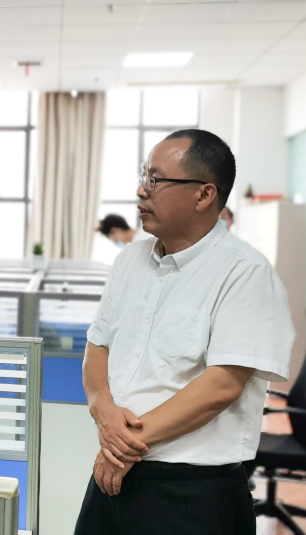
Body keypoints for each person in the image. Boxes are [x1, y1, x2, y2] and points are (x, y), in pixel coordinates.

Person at [75, 129, 294, 535]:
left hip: (192, 491)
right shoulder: (129, 260)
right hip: (112, 474)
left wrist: (124, 445)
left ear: (204, 194)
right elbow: (97, 346)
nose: (141, 190)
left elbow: (221, 387)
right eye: (143, 176)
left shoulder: (245, 272)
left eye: (155, 179)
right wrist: (103, 410)